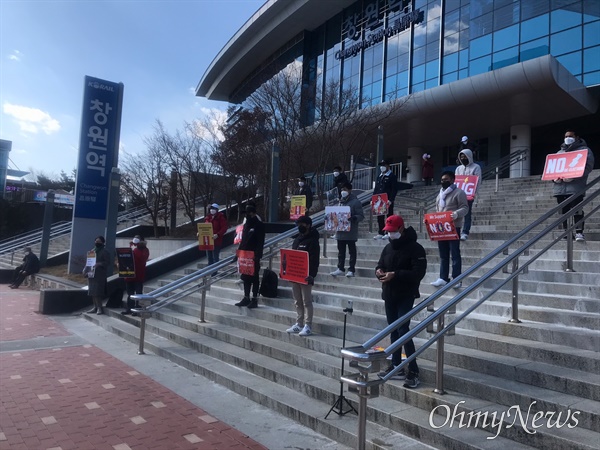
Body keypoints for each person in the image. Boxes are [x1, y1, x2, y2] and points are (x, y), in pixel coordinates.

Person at [376, 215, 427, 388]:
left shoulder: (416, 248)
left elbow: (418, 273)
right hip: (389, 294)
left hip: (406, 294)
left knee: (403, 330)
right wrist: (379, 271)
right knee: (393, 330)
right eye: (387, 231)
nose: (390, 234)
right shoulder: (388, 248)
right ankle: (396, 365)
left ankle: (413, 370)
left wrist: (396, 274)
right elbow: (380, 264)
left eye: (392, 231)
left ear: (401, 229)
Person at [552, 130, 595, 242]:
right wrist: (554, 179)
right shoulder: (559, 153)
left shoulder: (584, 151)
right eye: (566, 136)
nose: (567, 138)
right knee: (563, 212)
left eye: (570, 136)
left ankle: (579, 232)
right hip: (560, 188)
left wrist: (574, 176)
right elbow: (552, 168)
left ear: (576, 137)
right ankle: (566, 233)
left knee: (577, 210)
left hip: (576, 187)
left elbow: (588, 167)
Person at [431, 171, 469, 289]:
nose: (443, 181)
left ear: (452, 180)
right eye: (442, 179)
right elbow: (437, 210)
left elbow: (465, 208)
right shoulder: (440, 194)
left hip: (454, 227)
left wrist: (456, 214)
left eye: (446, 179)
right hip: (441, 228)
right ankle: (443, 277)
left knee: (455, 254)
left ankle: (457, 279)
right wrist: (430, 220)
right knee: (443, 254)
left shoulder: (459, 193)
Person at [286, 215, 320, 337]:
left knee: (307, 301)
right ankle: (299, 323)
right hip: (295, 275)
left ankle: (308, 325)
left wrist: (312, 275)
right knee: (297, 301)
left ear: (308, 225)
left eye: (302, 224)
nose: (299, 227)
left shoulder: (313, 241)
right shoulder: (297, 240)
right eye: (298, 224)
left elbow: (314, 260)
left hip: (306, 276)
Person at [330, 182, 364, 278]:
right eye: (342, 190)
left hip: (350, 231)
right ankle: (340, 268)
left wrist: (354, 218)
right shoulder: (340, 202)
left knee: (351, 251)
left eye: (345, 189)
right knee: (341, 252)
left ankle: (351, 269)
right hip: (340, 231)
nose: (343, 191)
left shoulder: (355, 202)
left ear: (350, 190)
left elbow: (361, 215)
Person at [235, 204, 266, 308]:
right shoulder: (246, 225)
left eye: (249, 213)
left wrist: (257, 255)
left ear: (253, 213)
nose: (247, 215)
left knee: (254, 277)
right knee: (245, 277)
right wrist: (238, 254)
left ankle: (254, 299)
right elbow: (243, 241)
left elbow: (260, 242)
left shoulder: (259, 225)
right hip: (244, 255)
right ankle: (246, 297)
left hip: (253, 255)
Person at [455, 148, 482, 240]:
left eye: (465, 156)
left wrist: (474, 193)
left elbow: (477, 181)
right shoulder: (459, 168)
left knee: (467, 213)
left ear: (469, 156)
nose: (463, 158)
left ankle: (465, 232)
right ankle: (456, 231)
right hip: (459, 195)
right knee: (457, 213)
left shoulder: (476, 167)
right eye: (461, 157)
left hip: (469, 195)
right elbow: (456, 181)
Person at [121, 236, 150, 316]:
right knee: (130, 293)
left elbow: (142, 258)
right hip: (129, 275)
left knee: (138, 293)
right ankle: (129, 308)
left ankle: (137, 308)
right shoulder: (132, 248)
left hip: (138, 275)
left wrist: (135, 249)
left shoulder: (144, 250)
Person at [85, 236, 111, 315]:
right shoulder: (92, 251)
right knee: (92, 291)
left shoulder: (105, 251)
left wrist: (99, 264)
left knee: (98, 292)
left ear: (103, 242)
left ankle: (99, 307)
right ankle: (95, 306)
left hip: (100, 274)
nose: (97, 243)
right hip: (91, 274)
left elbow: (107, 262)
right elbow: (88, 262)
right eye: (96, 241)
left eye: (99, 241)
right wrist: (85, 269)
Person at [373, 159, 398, 239]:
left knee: (389, 216)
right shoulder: (379, 177)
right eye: (381, 166)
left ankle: (389, 232)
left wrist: (391, 199)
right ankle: (381, 232)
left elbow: (394, 189)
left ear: (388, 166)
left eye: (384, 165)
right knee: (379, 216)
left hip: (387, 199)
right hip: (379, 199)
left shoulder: (392, 176)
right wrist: (373, 199)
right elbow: (376, 189)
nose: (382, 167)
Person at [204, 203, 228, 271]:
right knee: (209, 258)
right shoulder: (208, 218)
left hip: (216, 241)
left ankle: (214, 272)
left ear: (217, 210)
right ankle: (210, 271)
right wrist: (200, 233)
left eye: (213, 209)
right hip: (208, 241)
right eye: (211, 209)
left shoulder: (221, 218)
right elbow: (204, 228)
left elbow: (224, 228)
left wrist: (218, 235)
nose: (212, 210)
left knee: (215, 257)